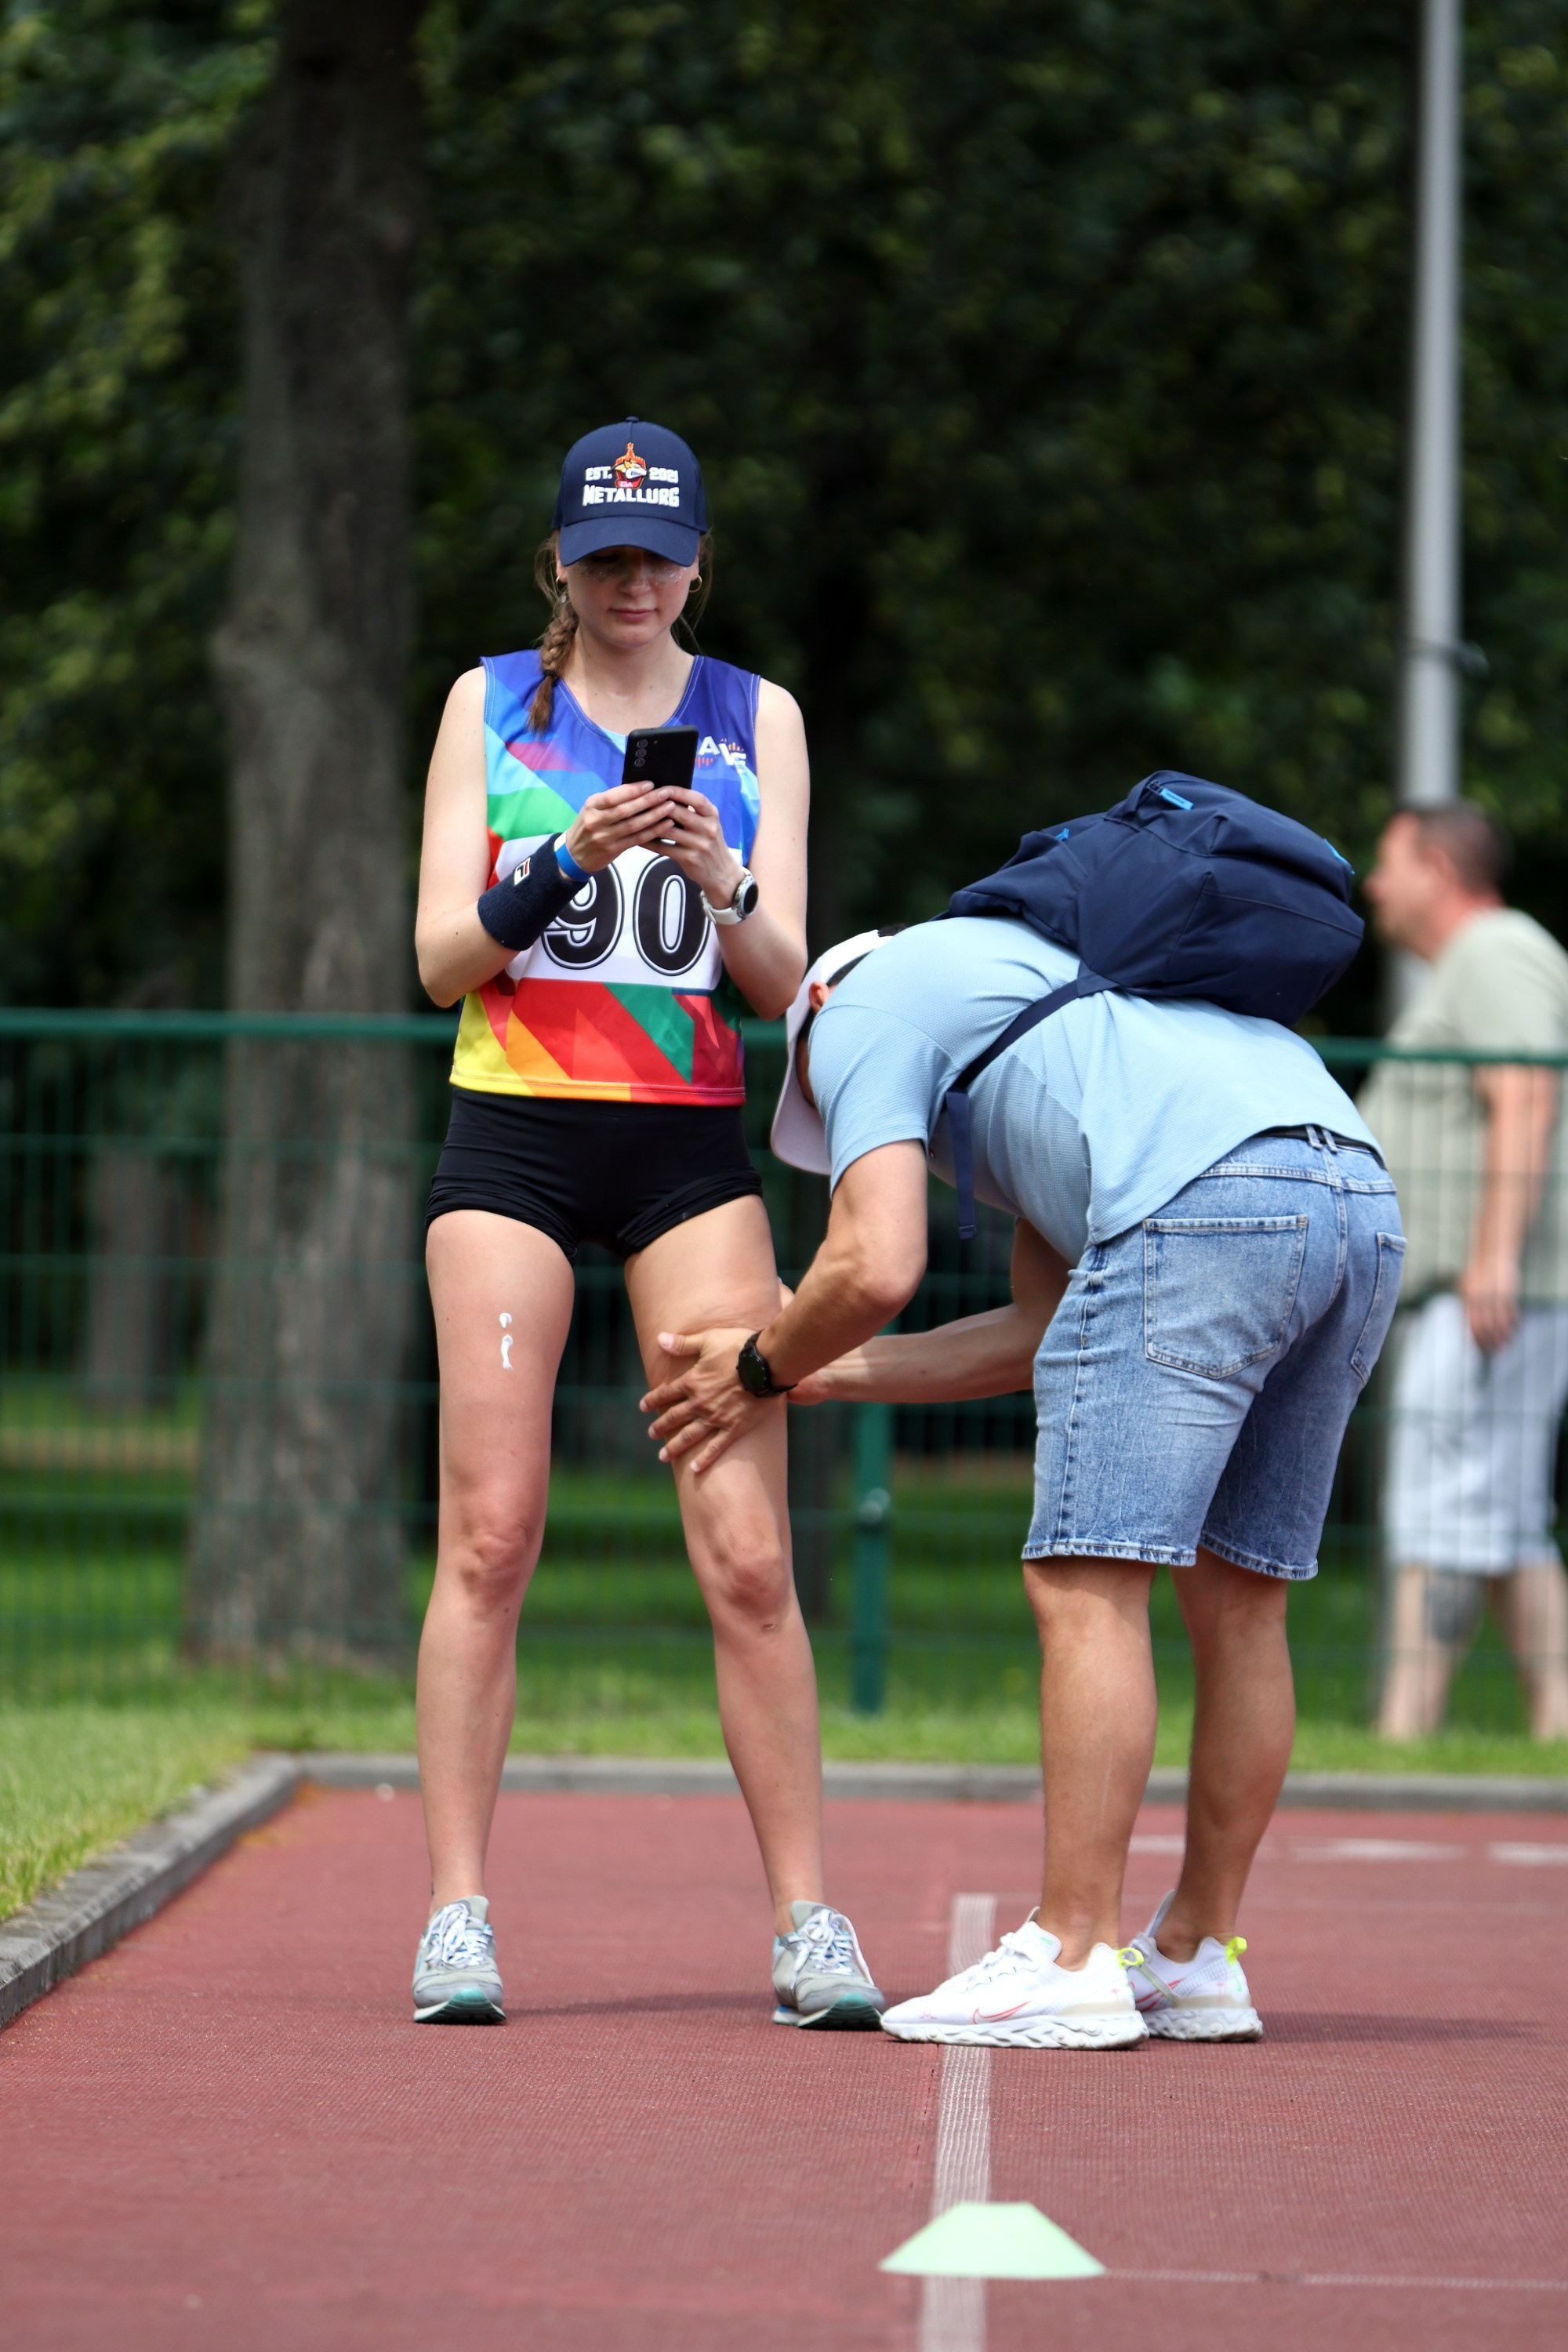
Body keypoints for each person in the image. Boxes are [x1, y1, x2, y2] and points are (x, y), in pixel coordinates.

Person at [642, 909, 1403, 2048]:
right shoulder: (1052, 1007)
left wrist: (759, 1361)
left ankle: (1071, 1952)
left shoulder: (857, 1012)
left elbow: (874, 1262)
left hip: (1199, 1201)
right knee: (1242, 1601)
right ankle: (1196, 1956)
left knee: (1085, 1580)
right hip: (1352, 1194)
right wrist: (812, 1372)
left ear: (814, 1019)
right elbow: (1041, 1330)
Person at [409, 417, 885, 2029]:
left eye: (658, 557)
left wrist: (724, 879)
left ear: (697, 567)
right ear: (559, 562)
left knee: (748, 1554)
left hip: (686, 1146)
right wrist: (564, 859)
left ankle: (808, 1921)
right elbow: (439, 962)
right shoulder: (492, 703)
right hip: (514, 1141)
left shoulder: (758, 717)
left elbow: (788, 984)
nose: (632, 582)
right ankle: (457, 1914)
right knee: (492, 1532)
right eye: (605, 557)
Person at [1361, 804, 1568, 1741]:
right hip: (1496, 1291)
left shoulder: (1493, 950)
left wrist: (1490, 1259)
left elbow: (1523, 1087)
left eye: (1388, 863)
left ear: (1438, 870)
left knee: (1438, 1511)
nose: (1373, 885)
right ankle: (1552, 1726)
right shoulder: (1488, 956)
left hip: (1486, 1294)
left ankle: (1406, 1729)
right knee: (1500, 1519)